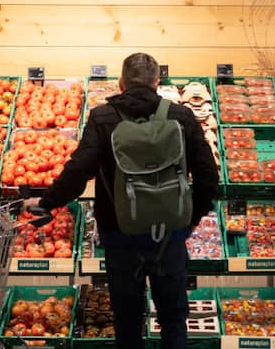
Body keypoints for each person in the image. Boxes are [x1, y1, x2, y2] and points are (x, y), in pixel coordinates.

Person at [30, 52, 219, 349]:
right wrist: (189, 220)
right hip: (169, 235)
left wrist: (48, 202)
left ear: (121, 82)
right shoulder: (181, 116)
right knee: (172, 318)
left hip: (120, 235)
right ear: (157, 82)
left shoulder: (103, 117)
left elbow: (79, 170)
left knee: (128, 319)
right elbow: (208, 177)